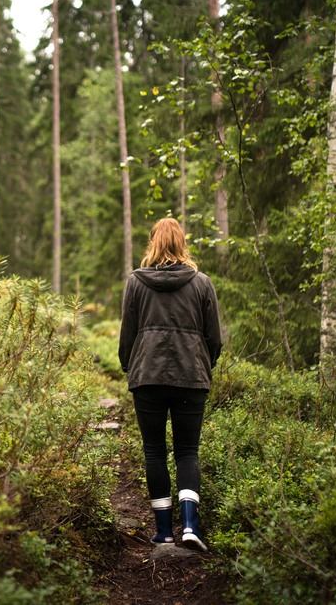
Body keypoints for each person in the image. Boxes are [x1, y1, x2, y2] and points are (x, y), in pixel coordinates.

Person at [118, 217, 222, 551]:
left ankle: (164, 532)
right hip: (191, 377)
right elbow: (214, 338)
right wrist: (203, 365)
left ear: (153, 242)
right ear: (182, 243)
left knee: (154, 451)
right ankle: (190, 526)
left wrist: (130, 366)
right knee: (187, 451)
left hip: (147, 376)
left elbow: (127, 334)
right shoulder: (202, 283)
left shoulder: (136, 282)